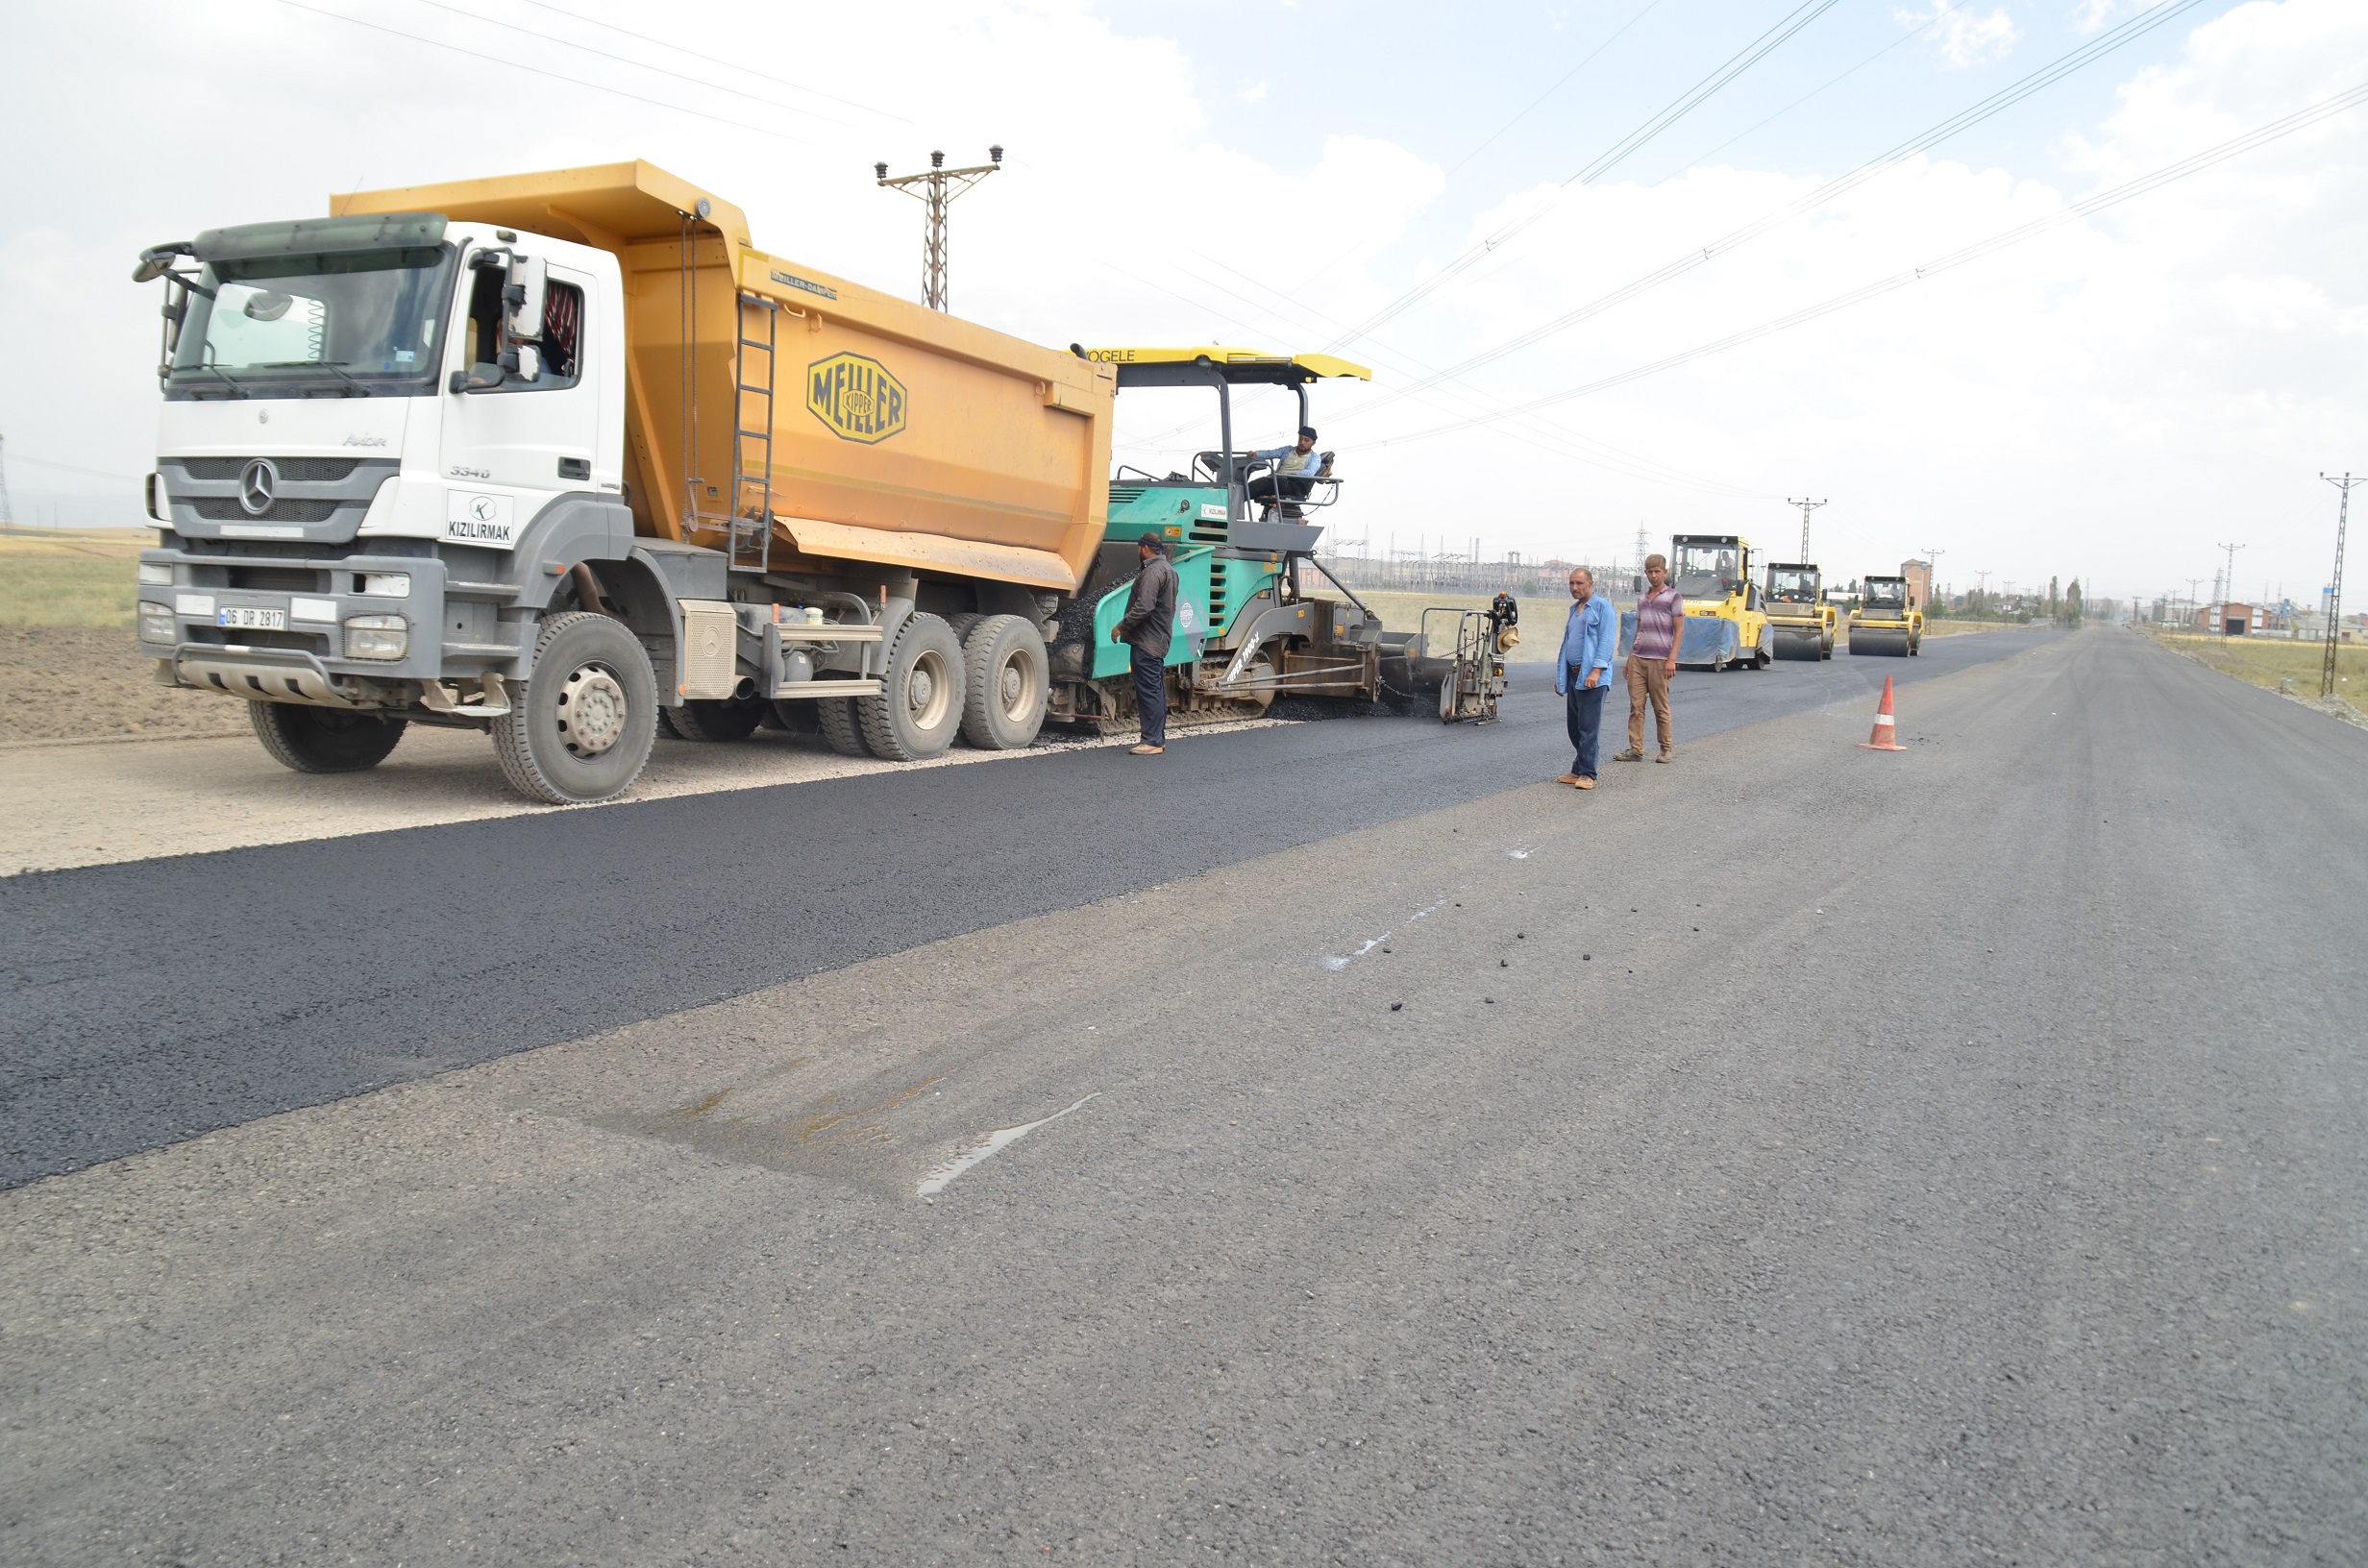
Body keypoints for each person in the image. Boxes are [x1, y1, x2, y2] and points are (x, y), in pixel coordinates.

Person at [1109, 530, 1178, 756]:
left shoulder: (1152, 572)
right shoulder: (1169, 570)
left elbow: (1144, 606)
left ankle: (1151, 741)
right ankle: (1157, 739)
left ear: (1145, 548)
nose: (1138, 551)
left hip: (1146, 641)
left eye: (1139, 547)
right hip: (1159, 638)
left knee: (1149, 692)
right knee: (1155, 691)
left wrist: (1121, 626)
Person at [1553, 566, 1617, 790]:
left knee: (1588, 727)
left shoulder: (1602, 607)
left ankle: (1588, 774)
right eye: (1571, 583)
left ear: (1591, 583)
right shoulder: (1575, 610)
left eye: (1579, 583)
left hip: (1591, 676)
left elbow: (1607, 641)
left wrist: (1596, 671)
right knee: (1574, 726)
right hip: (1574, 674)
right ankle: (1578, 769)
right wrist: (1561, 675)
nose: (1574, 588)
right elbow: (1568, 644)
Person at [1616, 552, 1683, 763]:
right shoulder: (1643, 599)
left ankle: (1665, 748)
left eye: (1657, 572)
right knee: (1636, 706)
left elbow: (1679, 630)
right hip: (1639, 657)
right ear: (1645, 573)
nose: (1653, 576)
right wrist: (1629, 659)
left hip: (1660, 660)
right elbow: (1639, 629)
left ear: (1665, 572)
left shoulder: (1673, 597)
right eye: (1650, 572)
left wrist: (1671, 659)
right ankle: (1636, 748)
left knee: (1660, 706)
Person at [1245, 427, 1332, 518]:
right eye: (1301, 439)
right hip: (1275, 480)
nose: (1302, 442)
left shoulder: (1314, 457)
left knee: (1281, 480)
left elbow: (1310, 472)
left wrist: (1289, 476)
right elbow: (1271, 453)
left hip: (1293, 484)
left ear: (1313, 443)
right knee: (1249, 488)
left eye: (1306, 440)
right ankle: (1232, 513)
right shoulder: (1288, 450)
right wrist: (1256, 454)